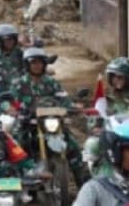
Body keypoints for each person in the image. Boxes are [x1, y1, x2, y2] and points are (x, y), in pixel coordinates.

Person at [8, 46, 88, 187]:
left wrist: (73, 106)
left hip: (51, 123)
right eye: (33, 62)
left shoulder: (51, 82)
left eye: (40, 62)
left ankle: (85, 185)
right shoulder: (19, 83)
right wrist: (10, 108)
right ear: (27, 64)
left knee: (74, 147)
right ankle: (16, 187)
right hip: (27, 124)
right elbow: (7, 100)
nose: (37, 66)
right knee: (15, 146)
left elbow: (63, 97)